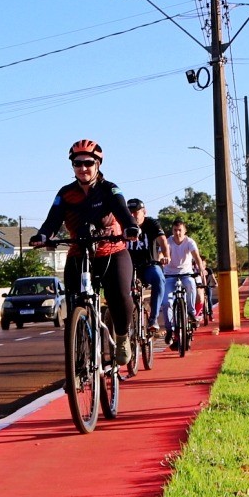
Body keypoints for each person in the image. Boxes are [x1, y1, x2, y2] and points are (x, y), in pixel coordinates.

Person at [30, 140, 139, 363]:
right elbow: (52, 220)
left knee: (118, 295)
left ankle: (121, 336)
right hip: (79, 253)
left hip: (111, 251)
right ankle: (77, 362)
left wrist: (130, 226)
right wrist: (42, 236)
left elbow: (122, 210)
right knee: (73, 305)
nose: (83, 168)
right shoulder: (66, 193)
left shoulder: (109, 189)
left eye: (88, 163)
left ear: (97, 164)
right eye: (77, 163)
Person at [156, 217, 207, 335]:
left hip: (186, 274)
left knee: (191, 284)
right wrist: (160, 261)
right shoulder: (168, 242)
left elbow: (197, 258)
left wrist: (201, 270)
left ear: (185, 231)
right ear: (172, 231)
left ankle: (191, 312)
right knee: (166, 302)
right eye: (175, 230)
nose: (177, 233)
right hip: (169, 275)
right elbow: (159, 255)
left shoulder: (190, 242)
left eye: (179, 230)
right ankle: (169, 329)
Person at [127, 198, 168, 337]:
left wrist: (166, 254)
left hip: (149, 265)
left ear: (144, 212)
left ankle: (153, 319)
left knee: (159, 279)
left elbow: (162, 240)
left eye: (135, 212)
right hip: (129, 267)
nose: (132, 216)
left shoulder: (151, 223)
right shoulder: (123, 224)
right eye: (130, 212)